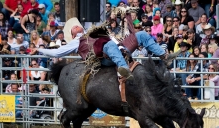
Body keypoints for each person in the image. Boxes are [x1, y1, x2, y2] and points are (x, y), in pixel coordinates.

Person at [34, 17, 180, 81]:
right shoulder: (77, 41)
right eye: (74, 27)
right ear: (73, 33)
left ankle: (164, 56)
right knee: (108, 45)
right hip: (102, 59)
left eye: (77, 25)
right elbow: (57, 52)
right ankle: (124, 69)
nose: (77, 26)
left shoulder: (93, 31)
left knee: (141, 34)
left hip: (118, 49)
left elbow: (114, 40)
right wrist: (39, 49)